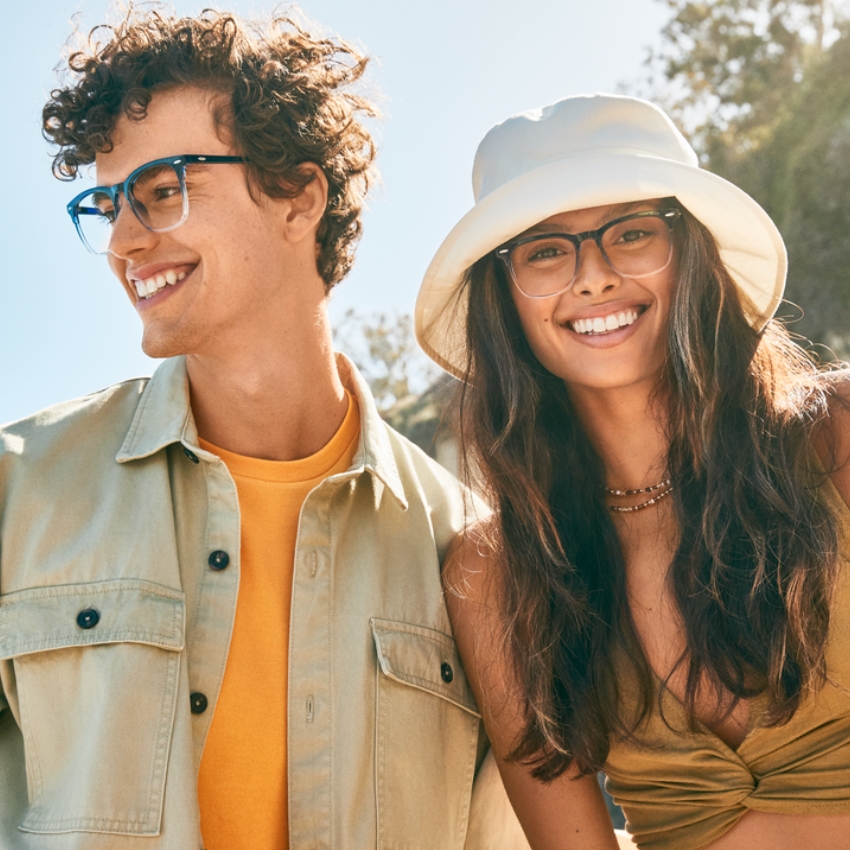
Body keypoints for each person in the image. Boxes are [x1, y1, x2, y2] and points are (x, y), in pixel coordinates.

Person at [0, 8, 529, 849]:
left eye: (165, 190)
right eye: (109, 205)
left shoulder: (468, 550)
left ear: (298, 196)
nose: (126, 241)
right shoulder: (16, 487)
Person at [414, 93, 850, 850]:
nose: (594, 277)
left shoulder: (835, 440)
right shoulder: (497, 578)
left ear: (692, 253)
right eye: (546, 251)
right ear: (503, 296)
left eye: (633, 233)